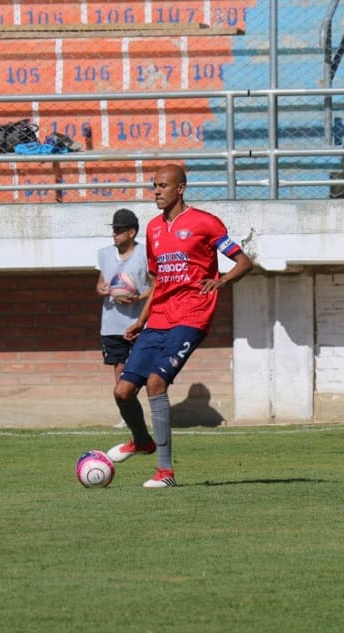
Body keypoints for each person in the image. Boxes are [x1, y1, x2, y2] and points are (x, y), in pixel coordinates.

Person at [107, 164, 253, 488]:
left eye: (162, 186)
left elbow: (244, 261)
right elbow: (159, 281)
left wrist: (222, 281)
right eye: (153, 186)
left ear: (180, 188)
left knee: (156, 383)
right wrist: (141, 319)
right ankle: (141, 441)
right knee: (123, 391)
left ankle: (165, 472)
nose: (156, 192)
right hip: (159, 317)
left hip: (192, 315)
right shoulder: (154, 229)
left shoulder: (205, 223)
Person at [95, 208, 152, 427]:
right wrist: (104, 290)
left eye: (119, 230)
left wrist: (139, 297)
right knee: (119, 369)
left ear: (132, 232)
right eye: (114, 230)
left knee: (140, 370)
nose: (115, 234)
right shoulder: (104, 254)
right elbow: (101, 284)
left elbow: (156, 286)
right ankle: (126, 415)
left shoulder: (145, 254)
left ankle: (146, 410)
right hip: (111, 324)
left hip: (138, 323)